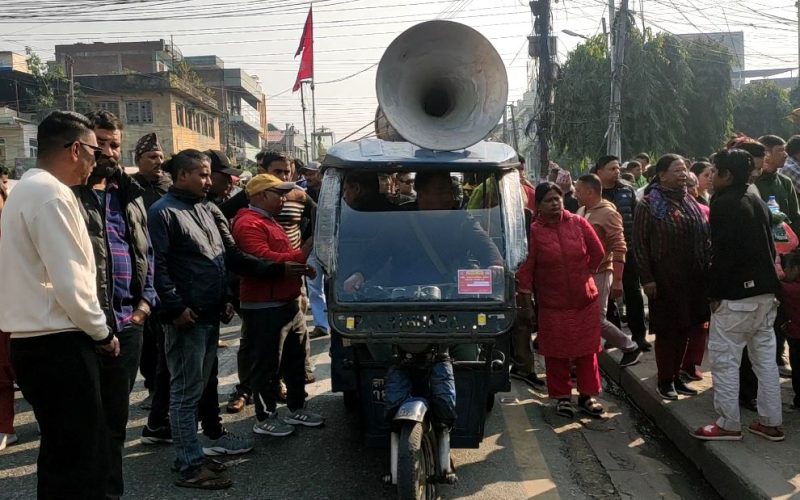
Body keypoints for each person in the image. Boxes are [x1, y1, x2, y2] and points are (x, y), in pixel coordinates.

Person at [0, 110, 119, 499]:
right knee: (82, 460)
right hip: (58, 342)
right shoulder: (52, 194)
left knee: (61, 453)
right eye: (93, 151)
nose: (95, 162)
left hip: (33, 341)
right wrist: (101, 332)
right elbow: (72, 282)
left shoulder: (26, 190)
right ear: (74, 149)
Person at [149, 149, 278, 489]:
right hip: (186, 318)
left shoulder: (207, 209)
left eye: (209, 174)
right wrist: (175, 308)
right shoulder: (163, 213)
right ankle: (190, 466)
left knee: (196, 387)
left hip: (208, 314)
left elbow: (228, 256)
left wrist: (233, 292)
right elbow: (157, 267)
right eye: (203, 174)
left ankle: (191, 454)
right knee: (185, 392)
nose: (210, 181)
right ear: (181, 176)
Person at [72, 110, 157, 498]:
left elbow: (146, 253)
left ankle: (112, 492)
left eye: (114, 145)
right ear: (83, 147)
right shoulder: (67, 195)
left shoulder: (129, 193)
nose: (107, 152)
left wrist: (145, 304)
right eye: (100, 143)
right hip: (83, 327)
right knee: (84, 425)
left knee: (117, 423)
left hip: (129, 322)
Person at [694, 148, 784, 442]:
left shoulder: (725, 204)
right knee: (766, 362)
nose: (709, 177)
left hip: (736, 297)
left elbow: (722, 254)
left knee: (725, 360)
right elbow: (770, 249)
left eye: (713, 171)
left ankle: (728, 424)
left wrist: (714, 292)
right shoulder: (756, 200)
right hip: (765, 294)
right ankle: (770, 422)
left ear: (727, 175)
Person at [232, 174, 323, 436]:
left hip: (287, 301)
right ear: (260, 196)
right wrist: (305, 250)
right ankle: (265, 416)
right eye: (278, 193)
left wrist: (301, 267)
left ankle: (296, 407)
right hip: (264, 306)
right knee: (266, 365)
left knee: (294, 360)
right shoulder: (248, 223)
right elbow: (265, 260)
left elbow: (285, 260)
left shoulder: (269, 221)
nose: (284, 199)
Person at [517, 182, 606, 418]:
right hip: (552, 304)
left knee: (587, 350)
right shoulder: (534, 232)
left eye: (558, 198)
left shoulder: (578, 223)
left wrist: (584, 274)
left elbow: (597, 252)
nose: (555, 203)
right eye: (548, 200)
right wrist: (525, 299)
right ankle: (562, 397)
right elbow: (526, 269)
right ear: (539, 205)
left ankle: (588, 395)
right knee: (556, 352)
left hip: (584, 301)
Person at [634, 154, 710, 400]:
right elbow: (640, 245)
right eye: (677, 170)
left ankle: (677, 376)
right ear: (662, 174)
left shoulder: (690, 200)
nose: (683, 174)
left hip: (693, 276)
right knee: (668, 331)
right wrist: (647, 279)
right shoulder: (648, 204)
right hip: (664, 277)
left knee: (688, 327)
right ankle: (665, 379)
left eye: (685, 170)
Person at [574, 174, 642, 367]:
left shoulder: (608, 213)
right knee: (584, 318)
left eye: (578, 190)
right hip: (583, 273)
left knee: (597, 319)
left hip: (602, 271)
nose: (575, 193)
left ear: (589, 192)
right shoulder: (581, 210)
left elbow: (620, 246)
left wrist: (618, 280)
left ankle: (630, 347)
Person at [593, 155, 650, 351]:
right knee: (607, 297)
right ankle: (614, 335)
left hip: (628, 249)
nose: (616, 171)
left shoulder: (627, 189)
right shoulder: (592, 192)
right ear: (599, 170)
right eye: (611, 168)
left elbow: (637, 216)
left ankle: (639, 336)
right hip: (602, 255)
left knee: (633, 292)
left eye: (618, 168)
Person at [754, 134, 798, 380]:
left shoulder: (784, 182)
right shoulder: (755, 184)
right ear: (767, 153)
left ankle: (780, 353)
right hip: (764, 254)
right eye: (780, 150)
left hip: (787, 253)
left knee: (785, 305)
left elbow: (795, 217)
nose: (785, 154)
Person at [132, 133, 171, 405]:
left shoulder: (170, 185)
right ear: (138, 160)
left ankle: (167, 386)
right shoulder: (128, 187)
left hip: (167, 267)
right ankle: (152, 387)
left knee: (167, 333)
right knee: (147, 337)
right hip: (141, 267)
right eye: (152, 157)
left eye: (160, 157)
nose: (158, 162)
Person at [778, 250, 800, 410]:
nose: (784, 272)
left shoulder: (789, 290)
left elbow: (776, 285)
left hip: (796, 337)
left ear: (796, 269)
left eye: (787, 268)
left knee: (797, 369)